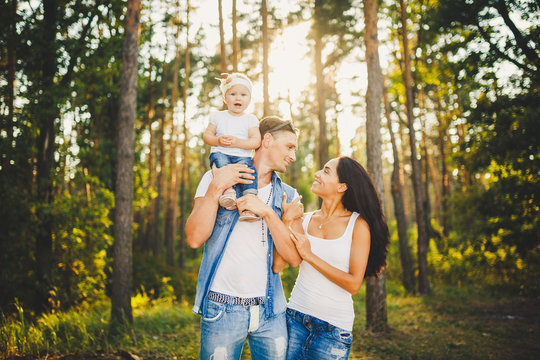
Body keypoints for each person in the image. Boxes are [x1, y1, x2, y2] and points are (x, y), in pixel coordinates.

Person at [186, 117, 304, 360]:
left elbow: (291, 259)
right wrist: (216, 189)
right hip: (221, 308)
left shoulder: (288, 196)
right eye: (289, 147)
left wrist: (270, 213)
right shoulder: (214, 178)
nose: (293, 156)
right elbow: (195, 238)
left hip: (271, 311)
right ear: (268, 140)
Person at [274, 156, 389, 360]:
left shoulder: (358, 225)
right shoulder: (305, 219)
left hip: (333, 330)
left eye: (326, 171)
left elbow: (353, 284)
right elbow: (278, 264)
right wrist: (286, 219)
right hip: (295, 319)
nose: (317, 173)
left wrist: (309, 255)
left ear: (342, 186)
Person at [203, 72, 261, 221]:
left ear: (249, 100)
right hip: (221, 152)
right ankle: (228, 192)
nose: (238, 98)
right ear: (225, 98)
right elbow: (207, 136)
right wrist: (218, 140)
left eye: (243, 95)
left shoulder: (250, 119)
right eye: (233, 94)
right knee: (222, 165)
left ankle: (249, 203)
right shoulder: (218, 116)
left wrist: (237, 142)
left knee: (248, 173)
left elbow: (256, 141)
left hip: (242, 156)